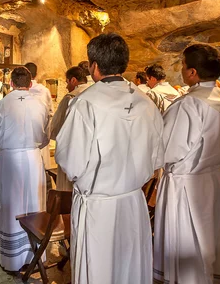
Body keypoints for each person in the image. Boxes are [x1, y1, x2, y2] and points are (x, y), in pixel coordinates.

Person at [56, 33, 164, 284]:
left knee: (100, 270)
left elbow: (70, 161)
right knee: (129, 268)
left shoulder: (85, 103)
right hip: (133, 202)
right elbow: (158, 157)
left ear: (93, 66)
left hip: (98, 205)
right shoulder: (145, 101)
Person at [154, 43, 220, 284]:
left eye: (183, 65)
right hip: (213, 179)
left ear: (192, 72)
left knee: (188, 241)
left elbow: (166, 150)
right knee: (209, 237)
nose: (182, 70)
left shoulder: (188, 105)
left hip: (185, 186)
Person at [0, 66, 50, 272]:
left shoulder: (1, 105)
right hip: (33, 159)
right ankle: (34, 252)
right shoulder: (41, 105)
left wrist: (3, 149)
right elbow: (45, 136)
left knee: (10, 205)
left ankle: (12, 259)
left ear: (10, 83)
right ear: (30, 83)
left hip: (9, 161)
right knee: (34, 203)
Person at [50, 66, 90, 191]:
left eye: (67, 82)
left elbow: (56, 129)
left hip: (72, 152)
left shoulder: (70, 97)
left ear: (73, 80)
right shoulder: (96, 94)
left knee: (69, 192)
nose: (67, 86)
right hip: (90, 155)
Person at [25, 62, 53, 169]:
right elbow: (50, 113)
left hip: (24, 135)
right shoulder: (44, 91)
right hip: (41, 132)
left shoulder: (18, 90)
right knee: (41, 166)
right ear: (36, 74)